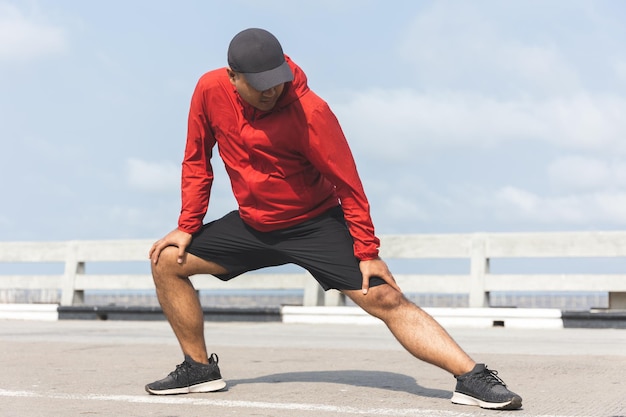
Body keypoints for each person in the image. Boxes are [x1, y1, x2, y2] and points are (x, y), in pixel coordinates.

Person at [145, 27, 523, 410]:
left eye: (276, 81)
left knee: (384, 296)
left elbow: (349, 185)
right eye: (260, 85)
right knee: (166, 262)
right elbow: (196, 160)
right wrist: (188, 225)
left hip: (314, 223)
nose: (271, 91)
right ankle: (199, 369)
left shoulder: (311, 112)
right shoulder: (209, 91)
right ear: (232, 76)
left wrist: (368, 251)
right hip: (254, 225)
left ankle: (472, 378)